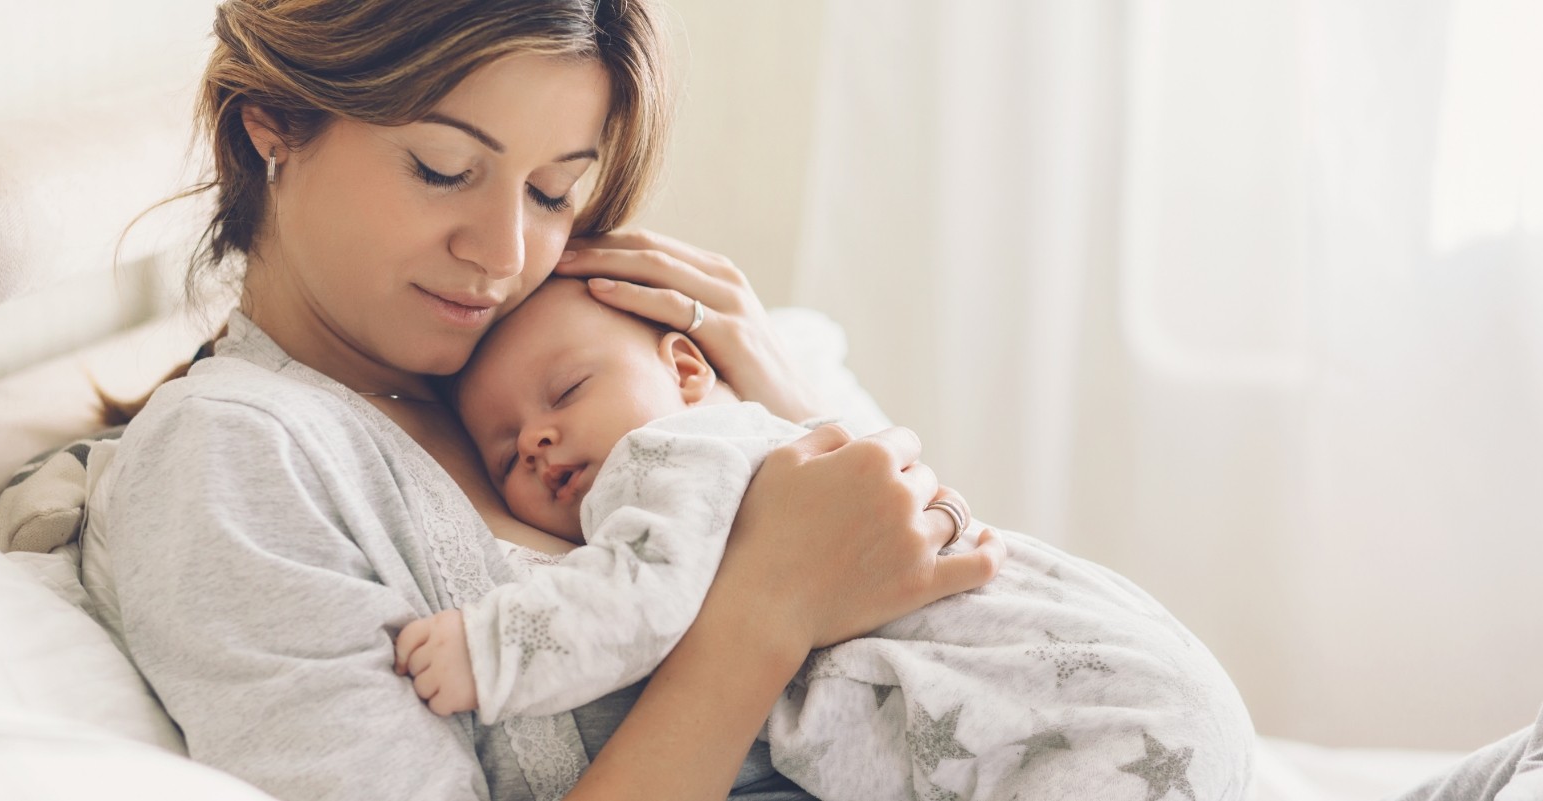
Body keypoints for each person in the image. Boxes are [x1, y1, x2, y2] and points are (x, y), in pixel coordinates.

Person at [81, 2, 1005, 800]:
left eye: (554, 190)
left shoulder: (580, 345)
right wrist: (767, 609)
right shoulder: (233, 457)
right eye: (443, 168)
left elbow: (940, 605)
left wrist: (778, 397)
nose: (506, 254)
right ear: (273, 121)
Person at [394, 276, 1257, 800]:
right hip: (1139, 697)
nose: (538, 439)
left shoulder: (669, 457)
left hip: (1093, 719)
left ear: (687, 369)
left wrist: (489, 647)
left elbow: (635, 600)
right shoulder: (768, 446)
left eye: (566, 389)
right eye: (505, 449)